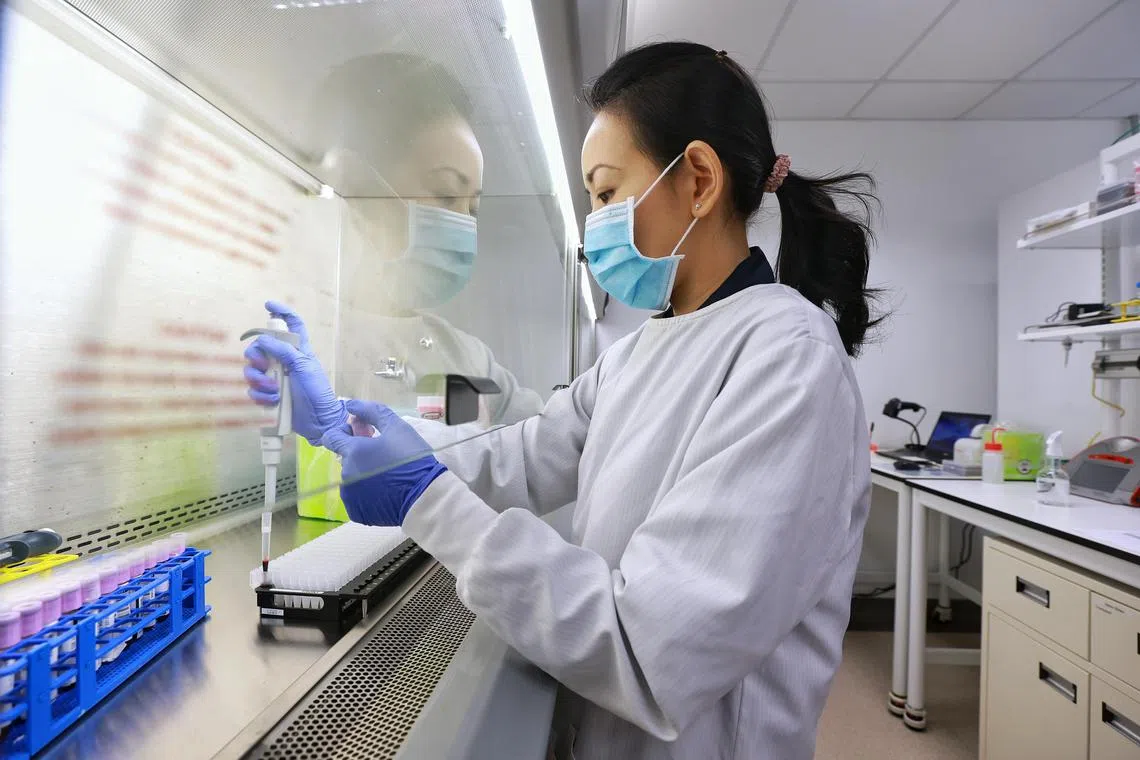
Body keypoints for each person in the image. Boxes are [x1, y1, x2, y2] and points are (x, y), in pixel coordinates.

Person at [245, 42, 877, 759]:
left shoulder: (788, 360)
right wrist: (345, 426)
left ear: (698, 180)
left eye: (606, 193)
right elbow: (524, 453)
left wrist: (425, 497)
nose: (594, 222)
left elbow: (650, 650)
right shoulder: (642, 350)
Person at [312, 52, 544, 425]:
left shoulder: (466, 358)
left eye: (473, 209)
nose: (464, 225)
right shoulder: (307, 340)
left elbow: (545, 443)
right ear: (356, 185)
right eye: (445, 192)